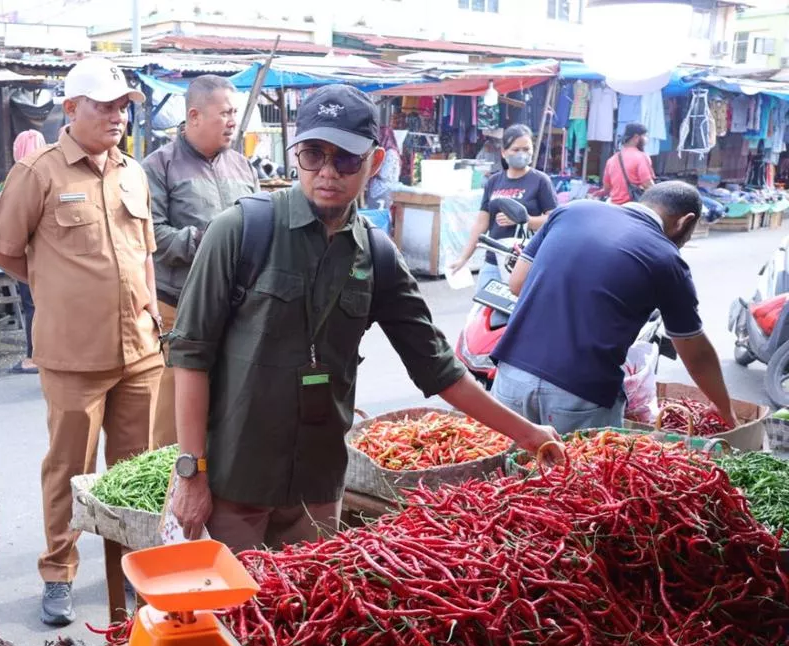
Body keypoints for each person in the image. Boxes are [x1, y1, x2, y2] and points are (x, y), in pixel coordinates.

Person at [168, 85, 562, 551]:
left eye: (346, 159)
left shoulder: (377, 255)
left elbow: (439, 368)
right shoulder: (240, 230)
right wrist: (191, 471)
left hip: (317, 489)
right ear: (296, 155)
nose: (327, 172)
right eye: (314, 154)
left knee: (306, 596)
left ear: (374, 163)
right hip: (235, 483)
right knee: (233, 598)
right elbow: (191, 355)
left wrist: (528, 434)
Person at [0, 56, 162, 626]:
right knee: (70, 468)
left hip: (140, 351)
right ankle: (58, 573)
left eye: (122, 107)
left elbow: (145, 254)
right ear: (70, 108)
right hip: (72, 354)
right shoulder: (39, 173)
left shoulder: (133, 173)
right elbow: (0, 247)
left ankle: (132, 564)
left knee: (137, 468)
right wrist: (52, 286)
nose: (116, 116)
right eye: (104, 106)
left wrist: (151, 313)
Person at [491, 182, 736, 433]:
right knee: (580, 460)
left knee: (508, 458)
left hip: (512, 374)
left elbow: (517, 283)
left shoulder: (571, 210)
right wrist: (724, 409)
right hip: (580, 393)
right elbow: (696, 353)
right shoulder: (667, 259)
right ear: (685, 221)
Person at [143, 75, 259, 448]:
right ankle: (170, 479)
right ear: (194, 116)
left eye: (234, 113)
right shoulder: (158, 166)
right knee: (173, 415)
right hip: (179, 306)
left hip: (236, 308)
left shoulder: (243, 166)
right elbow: (152, 236)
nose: (232, 122)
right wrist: (209, 241)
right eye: (224, 113)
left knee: (231, 402)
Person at [450, 125, 557, 282]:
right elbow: (481, 224)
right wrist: (463, 258)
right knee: (483, 297)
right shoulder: (494, 181)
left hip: (523, 262)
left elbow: (554, 220)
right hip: (493, 260)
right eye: (516, 149)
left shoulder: (540, 181)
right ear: (503, 152)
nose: (522, 154)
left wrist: (524, 220)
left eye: (526, 149)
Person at [9, 130, 46, 374]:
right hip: (51, 258)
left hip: (29, 254)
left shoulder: (21, 176)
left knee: (32, 305)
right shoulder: (54, 170)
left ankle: (34, 356)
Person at [603, 122, 656, 206]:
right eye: (645, 136)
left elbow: (606, 188)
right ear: (636, 137)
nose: (646, 139)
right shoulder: (641, 157)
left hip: (614, 205)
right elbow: (648, 185)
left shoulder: (611, 159)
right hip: (632, 206)